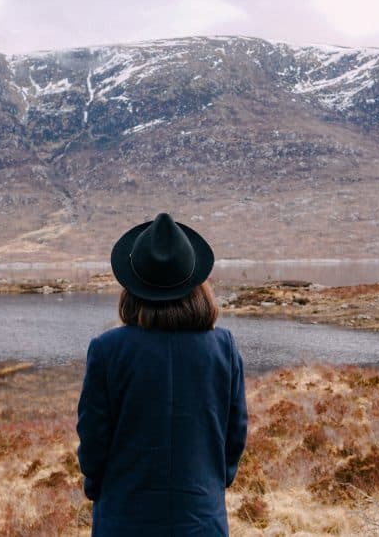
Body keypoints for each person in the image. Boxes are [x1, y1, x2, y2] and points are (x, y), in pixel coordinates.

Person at [76, 212, 248, 536]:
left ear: (132, 288)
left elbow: (93, 439)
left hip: (123, 519)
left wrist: (97, 487)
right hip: (202, 518)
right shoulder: (222, 347)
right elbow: (235, 434)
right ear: (197, 286)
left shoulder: (107, 349)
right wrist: (213, 482)